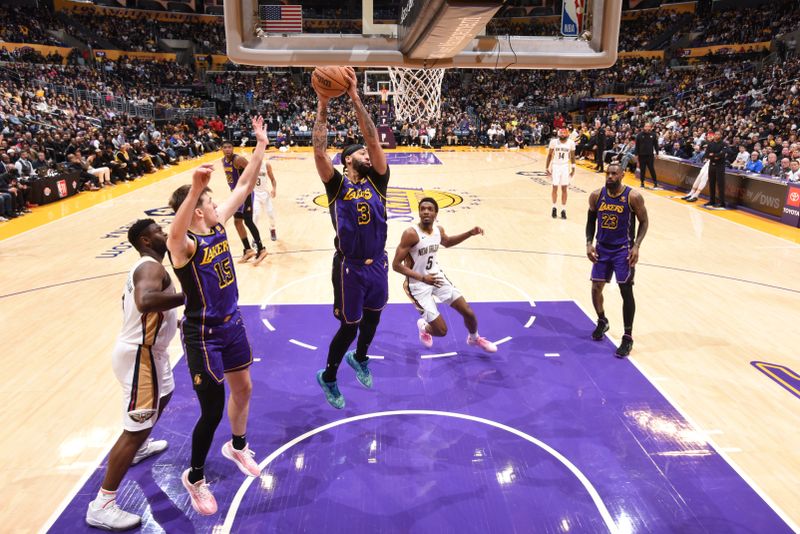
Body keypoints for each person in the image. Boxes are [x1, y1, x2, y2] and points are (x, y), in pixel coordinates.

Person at [166, 116, 268, 516]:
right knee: (211, 409)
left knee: (244, 389)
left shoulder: (218, 225)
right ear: (195, 211)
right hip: (203, 334)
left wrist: (260, 144)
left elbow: (243, 185)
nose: (215, 202)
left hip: (233, 324)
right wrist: (193, 189)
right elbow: (173, 235)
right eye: (209, 201)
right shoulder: (185, 245)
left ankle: (236, 447)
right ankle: (194, 476)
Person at [85, 219, 184, 531]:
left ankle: (141, 447)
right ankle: (102, 504)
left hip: (150, 353)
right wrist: (188, 297)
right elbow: (145, 302)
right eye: (157, 230)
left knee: (165, 392)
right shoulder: (150, 266)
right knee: (135, 427)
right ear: (144, 240)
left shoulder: (149, 266)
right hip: (141, 355)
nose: (165, 233)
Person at [312, 67, 389, 410]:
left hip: (379, 263)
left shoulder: (378, 181)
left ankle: (360, 358)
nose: (368, 156)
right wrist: (323, 103)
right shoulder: (337, 185)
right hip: (350, 267)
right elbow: (318, 151)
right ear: (347, 161)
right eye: (361, 154)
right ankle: (328, 376)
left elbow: (373, 138)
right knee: (349, 325)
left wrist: (356, 96)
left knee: (374, 316)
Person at [392, 198, 498, 353]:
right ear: (419, 212)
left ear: (436, 213)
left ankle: (474, 338)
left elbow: (447, 242)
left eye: (429, 209)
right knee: (441, 331)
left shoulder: (438, 230)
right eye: (422, 209)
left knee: (468, 312)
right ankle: (424, 327)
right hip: (417, 285)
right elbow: (396, 265)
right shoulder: (411, 234)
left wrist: (470, 233)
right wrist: (422, 278)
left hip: (437, 278)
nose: (426, 211)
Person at [586, 163, 649, 358]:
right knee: (596, 287)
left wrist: (637, 245)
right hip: (602, 248)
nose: (610, 176)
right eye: (608, 173)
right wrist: (589, 243)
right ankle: (602, 320)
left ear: (622, 175)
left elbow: (644, 221)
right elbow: (590, 221)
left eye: (614, 173)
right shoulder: (596, 195)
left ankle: (627, 337)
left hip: (623, 250)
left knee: (625, 291)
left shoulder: (633, 197)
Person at [221, 140, 268, 264]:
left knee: (248, 220)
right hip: (236, 194)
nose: (227, 149)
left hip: (245, 193)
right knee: (237, 221)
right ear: (222, 149)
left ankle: (261, 249)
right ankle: (248, 249)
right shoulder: (223, 161)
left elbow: (252, 170)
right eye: (225, 147)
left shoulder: (238, 160)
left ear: (233, 148)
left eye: (229, 147)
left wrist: (249, 187)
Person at [545, 128, 576, 219]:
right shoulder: (553, 142)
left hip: (565, 166)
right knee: (554, 187)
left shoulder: (571, 143)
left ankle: (563, 209)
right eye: (561, 134)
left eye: (564, 134)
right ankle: (554, 207)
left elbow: (573, 156)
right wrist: (547, 167)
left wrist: (573, 168)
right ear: (558, 134)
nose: (562, 135)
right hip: (555, 166)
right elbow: (550, 155)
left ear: (567, 135)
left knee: (564, 188)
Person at [253, 151, 278, 242]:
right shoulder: (249, 166)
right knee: (256, 215)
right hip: (255, 194)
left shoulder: (266, 165)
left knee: (271, 214)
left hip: (265, 193)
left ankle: (272, 229)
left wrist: (274, 189)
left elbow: (273, 179)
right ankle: (254, 238)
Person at [704, 131, 728, 209]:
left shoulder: (724, 144)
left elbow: (723, 153)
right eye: (716, 134)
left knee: (720, 184)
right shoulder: (710, 144)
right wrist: (715, 156)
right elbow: (707, 154)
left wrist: (713, 155)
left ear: (721, 136)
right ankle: (712, 200)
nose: (717, 135)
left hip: (720, 166)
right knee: (711, 183)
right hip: (712, 165)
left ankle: (722, 202)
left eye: (719, 134)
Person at [635, 122, 660, 189]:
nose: (647, 127)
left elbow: (656, 145)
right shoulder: (639, 135)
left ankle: (655, 183)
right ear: (644, 127)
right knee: (642, 170)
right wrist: (636, 155)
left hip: (650, 156)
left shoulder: (653, 135)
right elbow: (637, 146)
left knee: (651, 169)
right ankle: (642, 183)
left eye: (648, 126)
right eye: (646, 126)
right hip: (641, 155)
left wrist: (657, 153)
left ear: (650, 127)